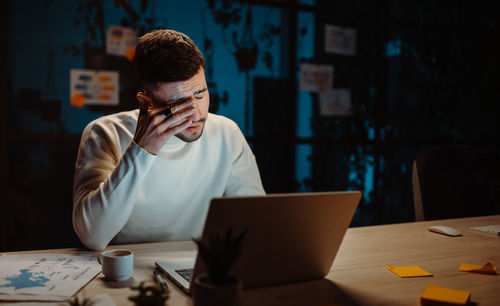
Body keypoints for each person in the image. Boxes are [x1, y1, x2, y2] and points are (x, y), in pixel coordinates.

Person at [72, 29, 265, 251]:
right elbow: (93, 236)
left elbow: (255, 223)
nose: (195, 113)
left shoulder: (225, 133)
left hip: (197, 268)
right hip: (126, 272)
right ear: (147, 102)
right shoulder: (106, 133)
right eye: (179, 103)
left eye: (200, 95)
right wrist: (142, 149)